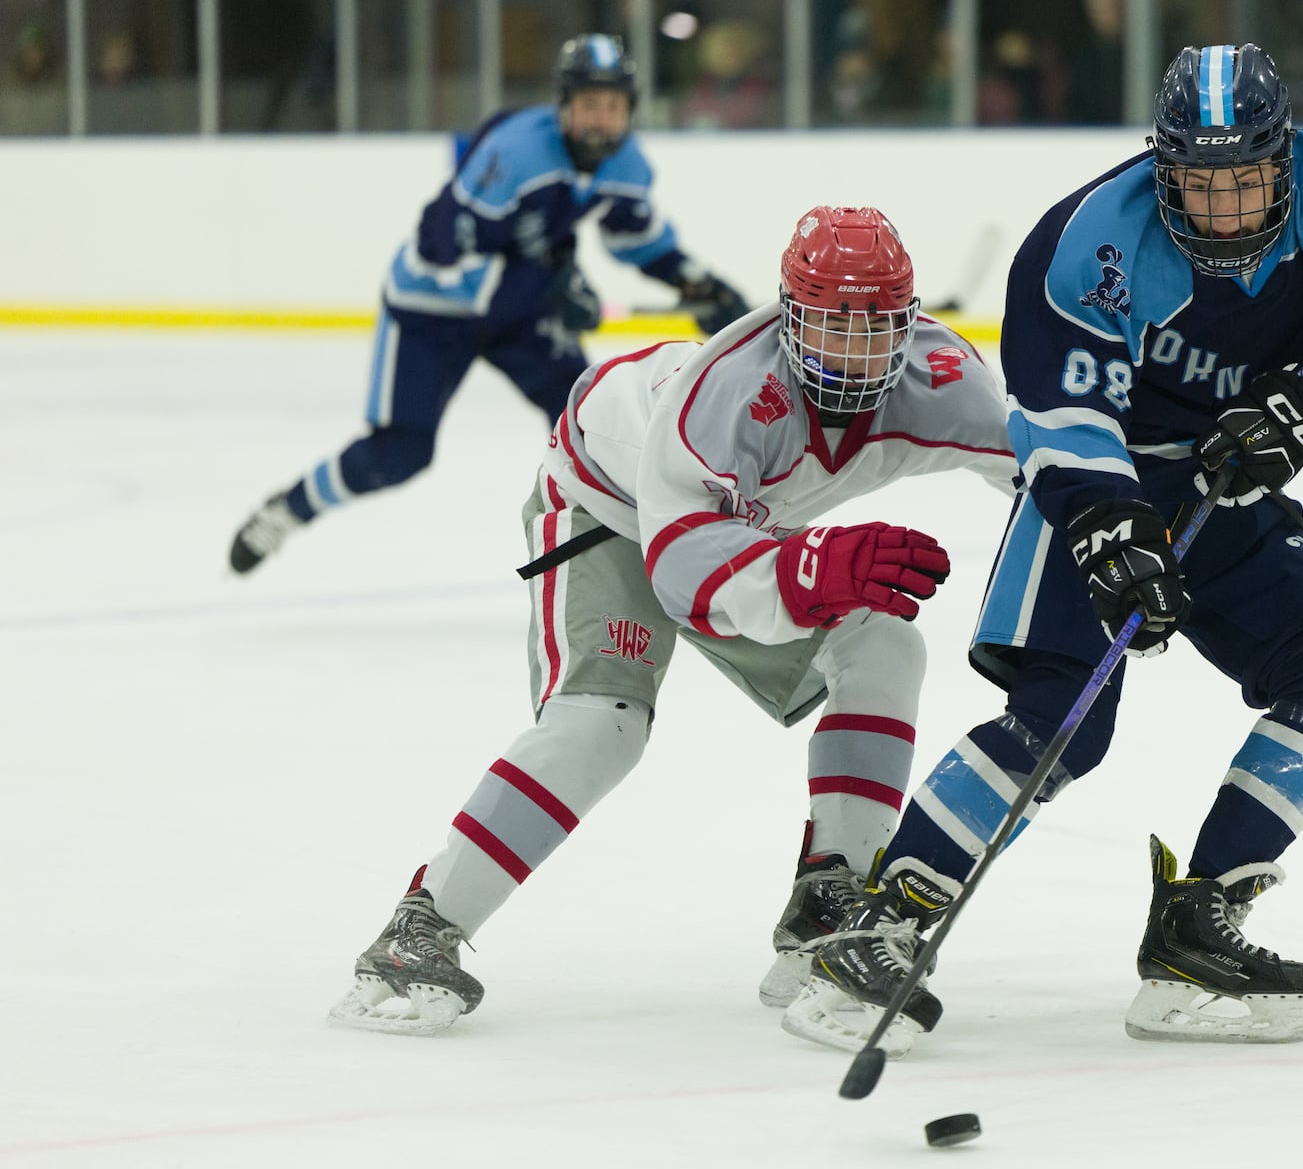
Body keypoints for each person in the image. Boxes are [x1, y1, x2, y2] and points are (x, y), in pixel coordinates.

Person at [782, 42, 1303, 1056]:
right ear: (1162, 168)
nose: (1225, 207)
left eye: (1245, 178)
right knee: (1064, 718)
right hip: (1102, 483)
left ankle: (1197, 924)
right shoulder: (1088, 241)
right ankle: (880, 920)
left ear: (1284, 161)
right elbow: (1059, 413)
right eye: (1199, 182)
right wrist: (1110, 524)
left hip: (1229, 484)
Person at [327, 205, 1017, 1035]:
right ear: (789, 316)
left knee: (885, 645)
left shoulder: (941, 377)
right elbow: (683, 569)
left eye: (879, 326)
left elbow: (1044, 466)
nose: (858, 349)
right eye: (834, 324)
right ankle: (423, 924)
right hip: (610, 509)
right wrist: (807, 567)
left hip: (736, 522)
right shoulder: (721, 397)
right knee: (600, 724)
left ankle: (833, 907)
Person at [228, 34, 750, 575]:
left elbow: (635, 238)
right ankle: (287, 512)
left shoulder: (626, 164)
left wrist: (698, 284)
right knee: (400, 453)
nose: (602, 120)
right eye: (590, 105)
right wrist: (546, 287)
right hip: (432, 311)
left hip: (520, 313)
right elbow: (439, 252)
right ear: (564, 106)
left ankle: (631, 560)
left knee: (592, 422)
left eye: (614, 107)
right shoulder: (513, 152)